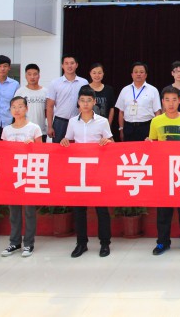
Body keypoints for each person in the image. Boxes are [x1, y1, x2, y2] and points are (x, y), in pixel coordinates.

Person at [60, 87, 114, 258]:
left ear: (94, 102)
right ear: (78, 102)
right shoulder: (72, 122)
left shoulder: (102, 121)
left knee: (101, 210)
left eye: (89, 100)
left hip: (97, 171)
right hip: (79, 172)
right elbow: (69, 141)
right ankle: (81, 243)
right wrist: (64, 141)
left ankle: (104, 243)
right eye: (82, 100)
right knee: (79, 210)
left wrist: (107, 142)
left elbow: (112, 142)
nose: (85, 104)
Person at [147, 86, 180, 255]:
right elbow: (153, 144)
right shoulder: (156, 121)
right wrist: (148, 143)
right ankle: (162, 242)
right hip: (164, 170)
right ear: (162, 102)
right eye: (167, 100)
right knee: (163, 210)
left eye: (174, 100)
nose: (171, 104)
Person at [0, 96, 42, 258]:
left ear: (26, 109)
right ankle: (14, 242)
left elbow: (42, 152)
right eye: (14, 107)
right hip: (12, 174)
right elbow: (3, 153)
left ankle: (29, 243)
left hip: (29, 174)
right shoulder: (7, 130)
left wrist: (32, 146)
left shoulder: (34, 128)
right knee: (14, 211)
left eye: (20, 106)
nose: (17, 109)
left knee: (29, 211)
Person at [46, 55, 88, 143]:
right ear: (62, 65)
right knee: (58, 149)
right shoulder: (55, 83)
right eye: (66, 63)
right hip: (60, 122)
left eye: (72, 63)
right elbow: (49, 106)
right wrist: (49, 126)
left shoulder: (84, 82)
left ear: (76, 65)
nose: (69, 66)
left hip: (78, 121)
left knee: (77, 148)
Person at [115, 61, 161, 142]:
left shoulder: (153, 90)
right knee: (129, 149)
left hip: (146, 127)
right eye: (136, 72)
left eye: (141, 72)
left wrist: (154, 131)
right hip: (128, 127)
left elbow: (157, 112)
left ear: (146, 75)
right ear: (132, 75)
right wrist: (121, 129)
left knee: (146, 150)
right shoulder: (125, 90)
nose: (138, 74)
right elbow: (121, 112)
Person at [14, 63, 48, 142]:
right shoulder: (20, 92)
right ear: (25, 76)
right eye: (29, 74)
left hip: (41, 131)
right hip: (24, 130)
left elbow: (47, 112)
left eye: (35, 74)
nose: (32, 77)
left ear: (39, 76)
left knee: (40, 150)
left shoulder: (45, 92)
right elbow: (16, 111)